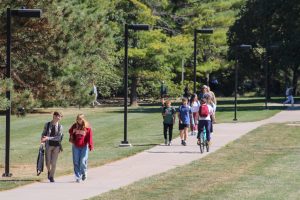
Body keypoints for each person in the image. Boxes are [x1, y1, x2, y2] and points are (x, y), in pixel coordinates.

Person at [69, 114, 94, 183]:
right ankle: (77, 176)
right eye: (78, 119)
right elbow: (70, 131)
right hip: (75, 146)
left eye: (80, 119)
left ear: (83, 119)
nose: (79, 120)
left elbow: (90, 136)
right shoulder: (74, 126)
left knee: (82, 161)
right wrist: (73, 131)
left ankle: (84, 172)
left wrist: (90, 145)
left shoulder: (87, 127)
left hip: (84, 146)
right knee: (76, 161)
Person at [40, 111, 63, 183]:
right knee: (47, 163)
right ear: (54, 116)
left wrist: (48, 138)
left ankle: (51, 176)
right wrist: (42, 141)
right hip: (48, 145)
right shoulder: (47, 124)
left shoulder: (60, 127)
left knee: (54, 163)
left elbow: (58, 138)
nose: (59, 118)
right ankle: (49, 172)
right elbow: (43, 134)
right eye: (58, 116)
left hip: (56, 146)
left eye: (60, 116)